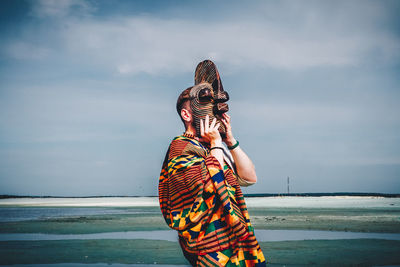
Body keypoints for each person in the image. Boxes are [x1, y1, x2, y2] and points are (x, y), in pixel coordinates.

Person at [159, 61, 266, 266]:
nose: (214, 113)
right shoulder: (181, 148)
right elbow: (209, 185)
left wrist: (230, 141)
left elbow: (250, 177)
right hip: (211, 251)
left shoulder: (213, 148)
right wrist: (216, 144)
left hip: (234, 246)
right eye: (206, 107)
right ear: (187, 115)